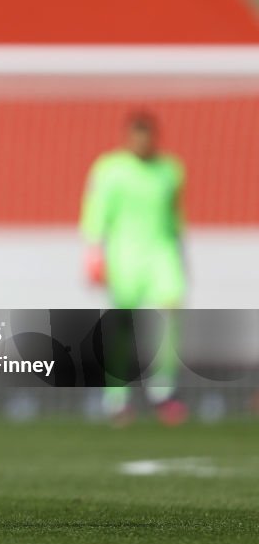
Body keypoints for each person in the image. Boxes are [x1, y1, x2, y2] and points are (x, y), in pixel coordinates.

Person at [80, 112, 187, 426]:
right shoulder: (110, 169)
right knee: (123, 326)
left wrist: (181, 255)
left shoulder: (170, 170)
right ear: (128, 138)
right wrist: (94, 254)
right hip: (125, 254)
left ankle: (163, 391)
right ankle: (116, 398)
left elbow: (175, 216)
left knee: (171, 312)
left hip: (162, 251)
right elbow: (95, 212)